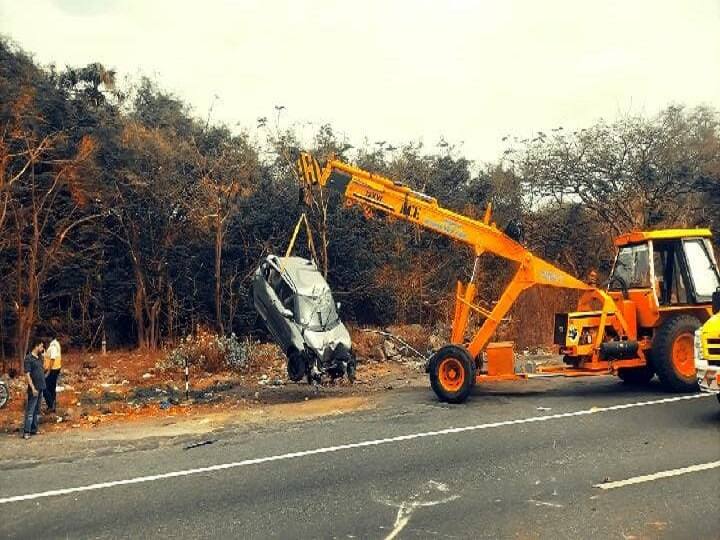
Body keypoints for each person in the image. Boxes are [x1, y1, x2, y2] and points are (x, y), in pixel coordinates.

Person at [23, 340, 46, 439]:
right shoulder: (28, 358)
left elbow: (42, 369)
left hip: (41, 387)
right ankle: (26, 431)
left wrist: (44, 356)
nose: (42, 349)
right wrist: (32, 388)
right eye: (41, 347)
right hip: (34, 388)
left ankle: (34, 429)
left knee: (37, 410)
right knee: (30, 410)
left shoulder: (40, 358)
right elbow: (27, 375)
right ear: (36, 346)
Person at [43, 337, 62, 412]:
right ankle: (52, 404)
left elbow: (53, 358)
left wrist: (48, 371)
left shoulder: (53, 346)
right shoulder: (56, 344)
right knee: (52, 387)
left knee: (45, 388)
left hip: (53, 369)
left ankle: (51, 405)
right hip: (56, 368)